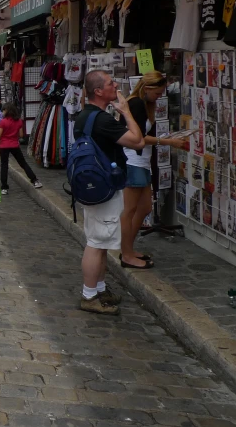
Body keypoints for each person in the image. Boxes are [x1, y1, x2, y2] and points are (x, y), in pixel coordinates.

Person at [74, 70, 144, 315]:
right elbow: (138, 141)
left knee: (101, 241)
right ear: (98, 91)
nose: (116, 85)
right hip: (104, 187)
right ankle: (89, 295)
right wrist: (125, 110)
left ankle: (99, 289)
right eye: (111, 83)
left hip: (94, 186)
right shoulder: (103, 121)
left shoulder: (84, 117)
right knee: (96, 242)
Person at [119, 71, 187, 269]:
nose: (159, 97)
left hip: (141, 161)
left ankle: (128, 250)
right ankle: (126, 254)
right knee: (130, 210)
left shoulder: (142, 104)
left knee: (145, 208)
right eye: (157, 93)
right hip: (133, 160)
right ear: (147, 89)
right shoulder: (137, 104)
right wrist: (169, 141)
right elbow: (138, 138)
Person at [0, 103, 42, 195]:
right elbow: (21, 135)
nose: (2, 112)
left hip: (4, 146)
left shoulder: (3, 122)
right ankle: (34, 180)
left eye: (3, 110)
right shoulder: (19, 121)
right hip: (14, 145)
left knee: (4, 166)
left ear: (7, 111)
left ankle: (4, 187)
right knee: (23, 163)